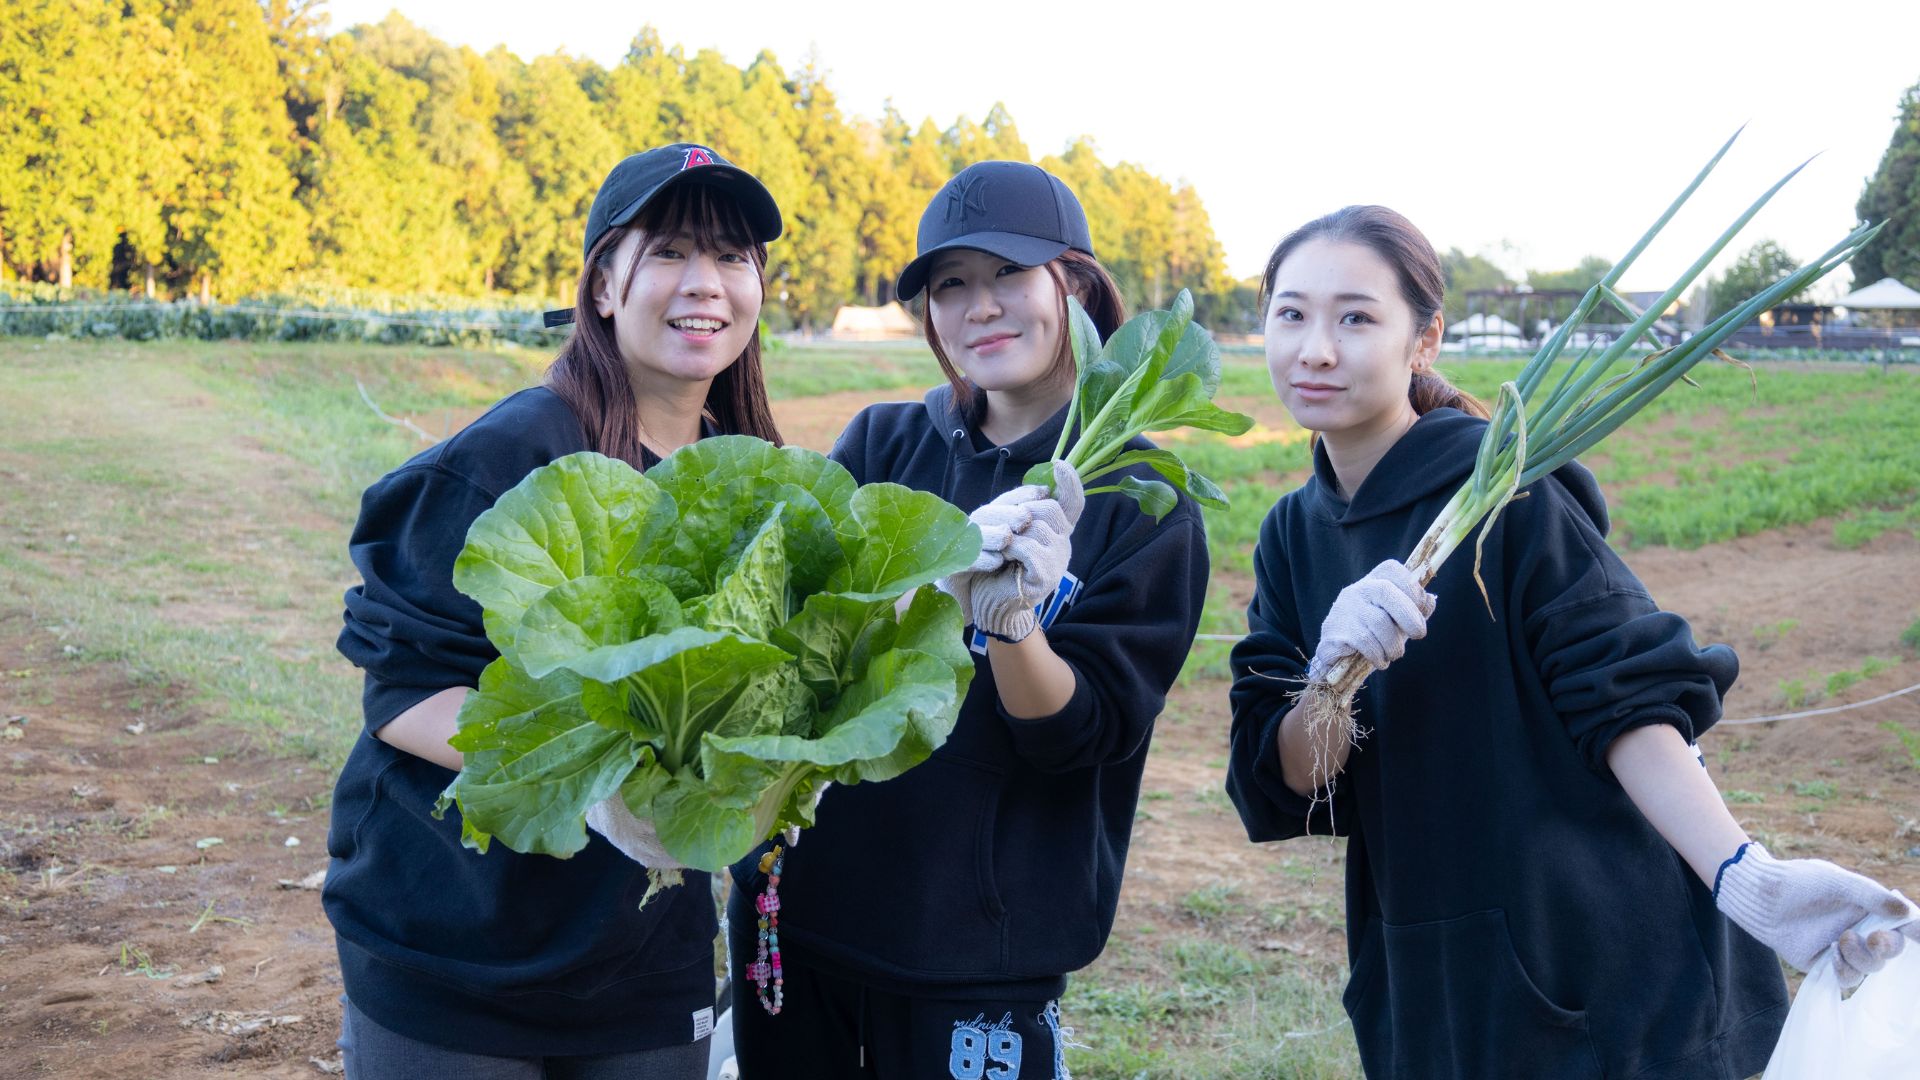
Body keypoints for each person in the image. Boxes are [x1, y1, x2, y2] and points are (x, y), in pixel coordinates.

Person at [1224, 204, 1918, 1079]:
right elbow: (1282, 774)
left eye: (1356, 316)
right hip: (1431, 969)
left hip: (1606, 967)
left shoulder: (1508, 494)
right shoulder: (1292, 533)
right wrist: (1330, 682)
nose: (1316, 348)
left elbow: (1626, 701)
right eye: (1291, 313)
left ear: (1424, 339)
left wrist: (1744, 875)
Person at [726, 160, 1209, 1079]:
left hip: (974, 949)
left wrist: (1015, 626)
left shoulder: (1142, 503)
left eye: (1008, 276)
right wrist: (932, 584)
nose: (979, 306)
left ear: (1076, 286)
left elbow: (1079, 737)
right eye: (951, 285)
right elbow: (792, 649)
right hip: (800, 916)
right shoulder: (881, 443)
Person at [326, 143, 785, 1079]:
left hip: (644, 959)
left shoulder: (752, 477)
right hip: (459, 949)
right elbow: (404, 692)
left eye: (733, 257)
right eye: (669, 252)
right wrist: (601, 786)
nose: (705, 283)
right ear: (605, 286)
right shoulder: (506, 457)